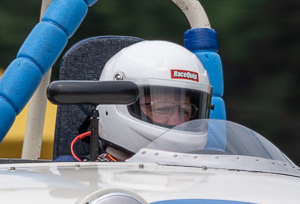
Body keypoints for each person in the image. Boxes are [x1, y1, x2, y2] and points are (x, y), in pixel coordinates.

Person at [80, 40, 213, 160]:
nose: (177, 122)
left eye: (185, 111)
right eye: (163, 108)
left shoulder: (211, 177)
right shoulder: (74, 179)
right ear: (114, 105)